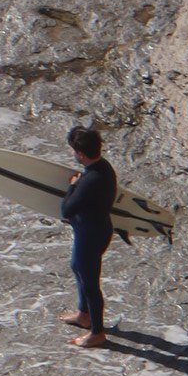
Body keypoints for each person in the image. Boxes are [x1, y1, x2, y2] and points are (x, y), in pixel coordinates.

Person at [60, 123, 117, 349]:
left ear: (81, 154)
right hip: (97, 229)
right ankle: (83, 314)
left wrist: (72, 186)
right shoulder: (104, 168)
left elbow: (66, 210)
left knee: (90, 282)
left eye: (74, 151)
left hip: (91, 235)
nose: (73, 154)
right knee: (77, 267)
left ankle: (97, 332)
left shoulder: (89, 180)